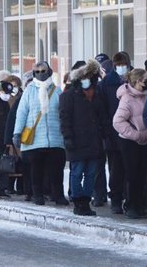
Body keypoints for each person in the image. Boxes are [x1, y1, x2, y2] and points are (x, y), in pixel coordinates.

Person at [13, 61, 67, 206]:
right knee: (36, 170)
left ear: (49, 72)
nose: (41, 74)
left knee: (56, 170)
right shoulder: (29, 91)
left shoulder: (57, 91)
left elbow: (63, 113)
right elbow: (21, 113)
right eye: (37, 71)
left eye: (43, 71)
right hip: (34, 139)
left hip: (55, 138)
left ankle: (58, 195)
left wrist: (66, 133)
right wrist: (17, 133)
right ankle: (37, 195)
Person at [59, 60, 108, 216]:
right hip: (77, 141)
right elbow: (65, 118)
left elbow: (102, 118)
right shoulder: (68, 96)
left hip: (94, 142)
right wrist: (68, 137)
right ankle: (77, 200)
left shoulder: (97, 95)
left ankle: (86, 200)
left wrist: (105, 134)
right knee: (77, 172)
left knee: (91, 173)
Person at [114, 68, 147, 219]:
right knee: (132, 174)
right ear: (137, 81)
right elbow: (117, 121)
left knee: (142, 173)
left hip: (145, 140)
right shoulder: (127, 98)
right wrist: (135, 135)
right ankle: (131, 205)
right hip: (130, 142)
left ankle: (141, 204)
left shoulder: (146, 96)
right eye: (145, 79)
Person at [96, 51, 131, 213]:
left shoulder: (134, 81)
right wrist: (106, 131)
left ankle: (130, 199)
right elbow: (101, 110)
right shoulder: (105, 84)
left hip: (132, 133)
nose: (121, 68)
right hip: (113, 133)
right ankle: (116, 199)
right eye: (118, 66)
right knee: (116, 169)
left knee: (131, 169)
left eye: (124, 65)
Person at [4, 74, 29, 198]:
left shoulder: (23, 97)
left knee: (21, 161)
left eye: (17, 86)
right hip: (10, 132)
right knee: (11, 162)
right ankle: (9, 186)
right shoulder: (6, 98)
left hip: (21, 133)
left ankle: (21, 187)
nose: (15, 88)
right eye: (12, 85)